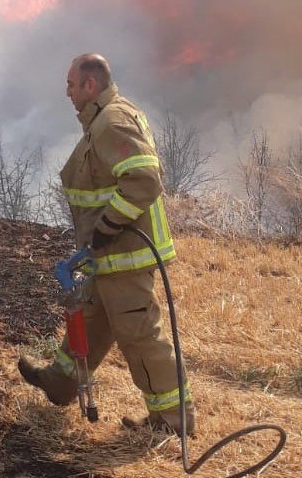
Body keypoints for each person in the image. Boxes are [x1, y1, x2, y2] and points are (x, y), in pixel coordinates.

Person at [18, 53, 195, 435]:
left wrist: (107, 227)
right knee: (92, 319)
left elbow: (144, 180)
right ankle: (61, 384)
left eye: (71, 85)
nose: (67, 92)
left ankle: (172, 420)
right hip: (110, 255)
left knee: (139, 336)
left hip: (126, 254)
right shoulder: (104, 120)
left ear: (90, 85)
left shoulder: (112, 122)